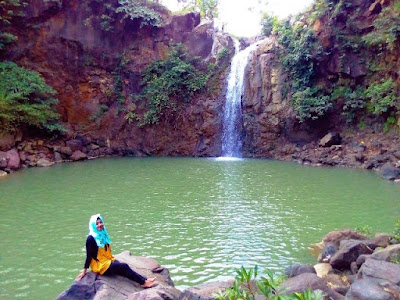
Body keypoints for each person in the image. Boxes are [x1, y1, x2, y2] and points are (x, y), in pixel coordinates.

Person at [76, 214, 156, 288]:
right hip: (100, 265)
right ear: (93, 225)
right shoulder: (91, 238)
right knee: (124, 266)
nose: (100, 225)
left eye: (101, 222)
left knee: (122, 266)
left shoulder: (103, 234)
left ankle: (144, 279)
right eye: (97, 224)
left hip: (106, 260)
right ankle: (143, 283)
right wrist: (84, 271)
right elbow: (89, 256)